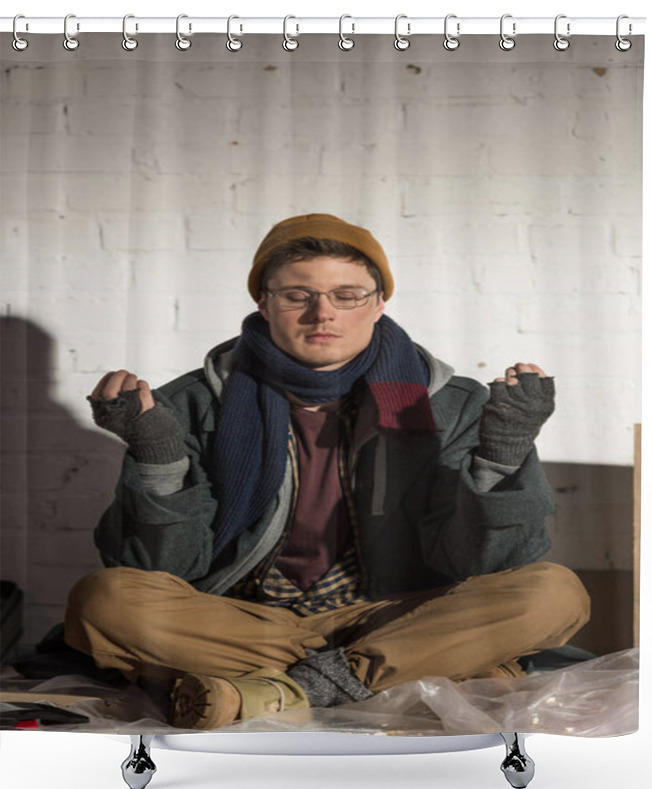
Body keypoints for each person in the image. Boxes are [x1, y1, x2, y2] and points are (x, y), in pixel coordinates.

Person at [64, 213, 590, 730]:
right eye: (298, 295)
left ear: (379, 302)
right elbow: (158, 569)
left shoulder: (448, 404)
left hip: (398, 613)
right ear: (263, 302)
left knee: (554, 593)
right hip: (247, 620)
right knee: (104, 601)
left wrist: (505, 450)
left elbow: (492, 564)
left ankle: (289, 690)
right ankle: (415, 675)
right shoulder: (192, 404)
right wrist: (158, 454)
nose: (323, 314)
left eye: (347, 295)